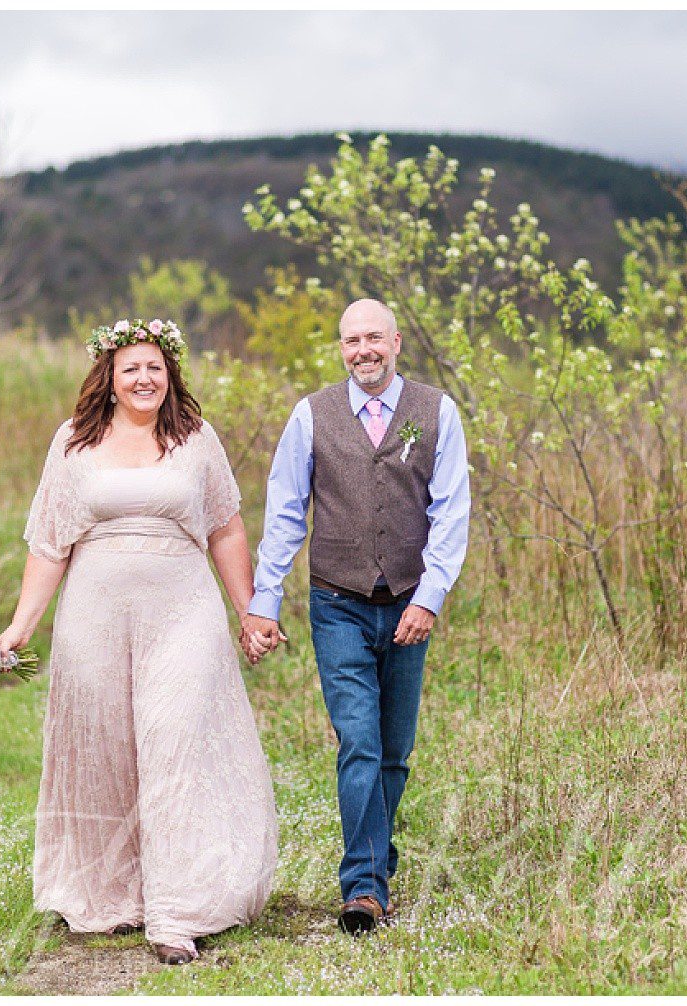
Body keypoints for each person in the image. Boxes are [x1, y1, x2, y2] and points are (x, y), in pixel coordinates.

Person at [0, 318, 277, 966]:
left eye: (155, 367)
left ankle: (177, 912)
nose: (145, 378)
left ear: (170, 373)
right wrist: (19, 627)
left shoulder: (196, 440)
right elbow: (49, 544)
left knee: (175, 742)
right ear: (110, 379)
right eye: (132, 369)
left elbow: (226, 529)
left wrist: (250, 612)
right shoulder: (73, 443)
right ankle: (108, 898)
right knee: (104, 750)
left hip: (182, 613)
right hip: (93, 615)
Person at [240, 298, 471, 935]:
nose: (362, 350)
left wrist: (429, 596)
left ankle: (377, 859)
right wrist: (265, 601)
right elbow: (285, 513)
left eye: (373, 337)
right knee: (359, 744)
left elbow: (451, 513)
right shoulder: (309, 416)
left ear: (396, 342)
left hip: (406, 604)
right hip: (337, 602)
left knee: (395, 752)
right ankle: (364, 886)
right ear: (340, 348)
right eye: (350, 340)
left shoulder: (436, 412)